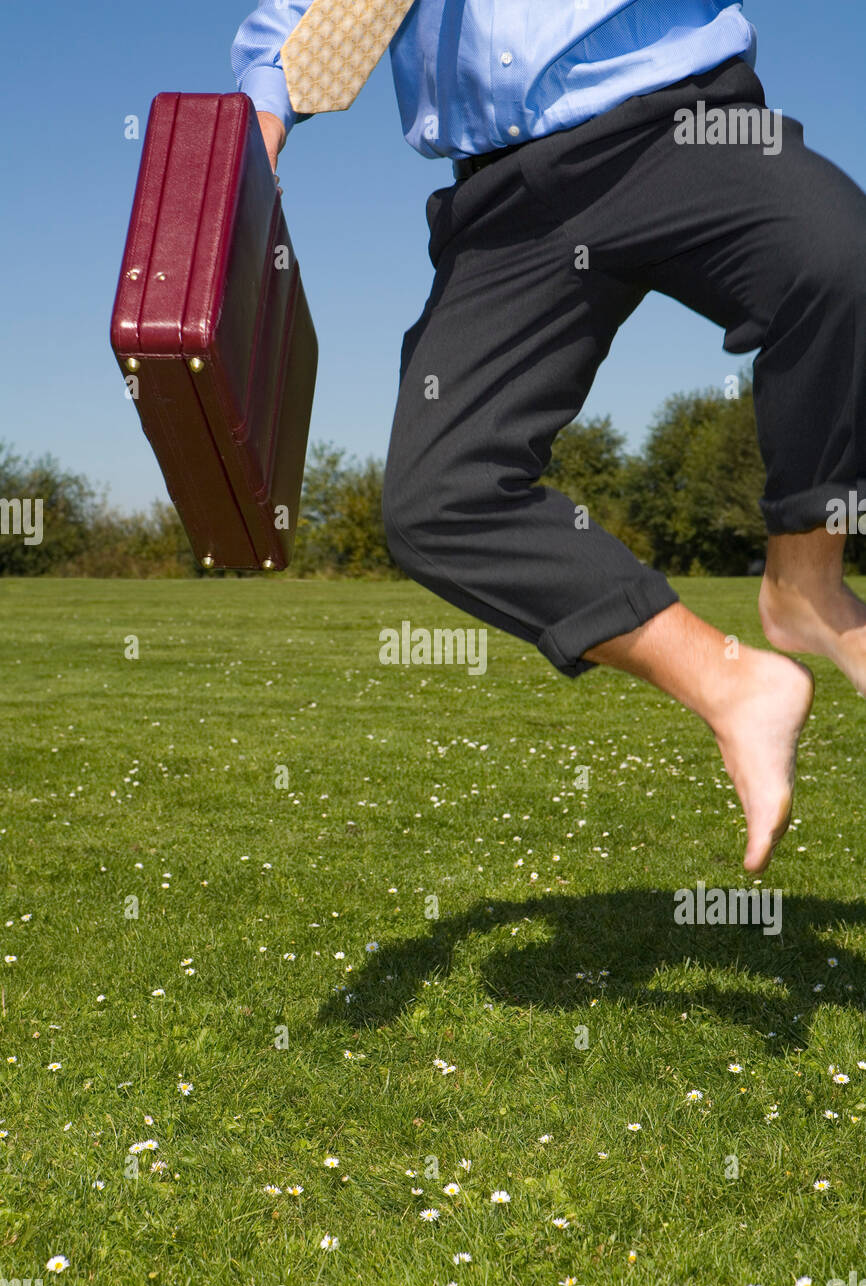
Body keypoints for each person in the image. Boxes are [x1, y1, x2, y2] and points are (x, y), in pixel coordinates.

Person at [232, 2, 866, 874]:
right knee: (436, 497)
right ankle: (730, 680)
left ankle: (807, 584)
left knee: (839, 259)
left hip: (679, 119)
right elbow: (297, 17)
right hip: (506, 195)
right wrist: (263, 111)